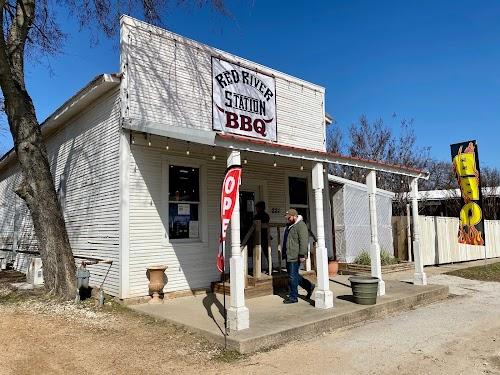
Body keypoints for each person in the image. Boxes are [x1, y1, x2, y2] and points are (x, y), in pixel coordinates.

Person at [282, 208, 315, 304]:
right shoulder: (289, 226)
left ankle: (293, 297)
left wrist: (302, 254)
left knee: (292, 277)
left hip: (295, 255)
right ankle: (309, 286)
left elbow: (304, 241)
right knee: (293, 275)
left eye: (289, 217)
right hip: (289, 254)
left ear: (294, 216)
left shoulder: (301, 225)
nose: (287, 219)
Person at [253, 201, 270, 273]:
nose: (256, 209)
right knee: (266, 252)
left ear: (260, 208)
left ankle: (258, 269)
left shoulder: (257, 216)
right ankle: (270, 267)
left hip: (259, 236)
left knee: (258, 252)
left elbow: (255, 225)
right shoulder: (266, 215)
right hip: (265, 235)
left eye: (257, 207)